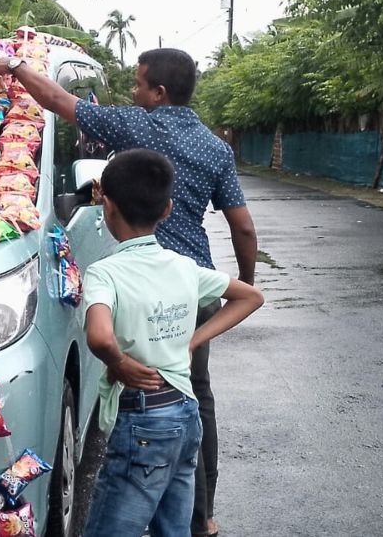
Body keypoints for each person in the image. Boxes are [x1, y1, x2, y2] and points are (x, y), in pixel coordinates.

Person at [0, 48, 257, 536]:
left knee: (135, 393)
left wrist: (16, 68)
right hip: (192, 287)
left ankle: (132, 491)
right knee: (194, 397)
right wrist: (243, 282)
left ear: (159, 92)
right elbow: (243, 227)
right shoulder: (216, 149)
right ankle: (201, 516)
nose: (133, 91)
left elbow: (56, 99)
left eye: (138, 84)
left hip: (138, 291)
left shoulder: (137, 129)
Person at [80, 150, 264, 537]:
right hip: (184, 416)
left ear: (106, 206)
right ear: (167, 210)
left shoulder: (104, 273)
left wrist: (119, 362)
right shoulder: (184, 266)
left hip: (142, 420)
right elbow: (251, 296)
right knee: (173, 529)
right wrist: (193, 341)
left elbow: (98, 335)